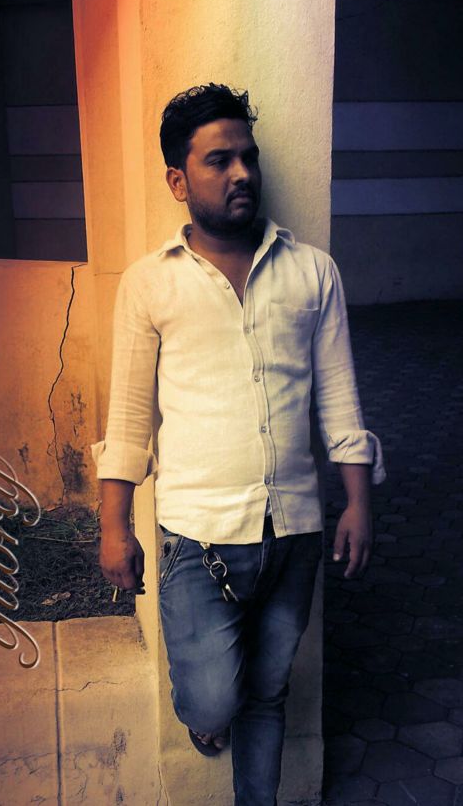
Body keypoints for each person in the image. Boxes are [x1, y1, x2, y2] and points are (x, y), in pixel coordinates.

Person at [91, 83, 386, 806]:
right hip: (197, 539)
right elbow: (128, 419)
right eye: (218, 160)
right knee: (215, 699)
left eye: (247, 157)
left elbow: (339, 399)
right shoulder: (149, 284)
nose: (242, 173)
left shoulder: (312, 272)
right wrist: (114, 527)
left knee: (269, 691)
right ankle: (203, 717)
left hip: (294, 533)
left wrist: (357, 503)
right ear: (178, 180)